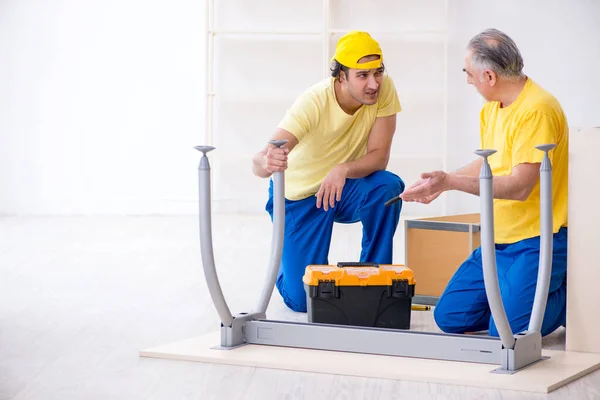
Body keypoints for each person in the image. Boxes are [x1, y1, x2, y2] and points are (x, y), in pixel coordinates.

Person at [398, 28, 569, 337]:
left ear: (489, 76)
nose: (468, 81)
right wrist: (441, 182)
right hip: (497, 239)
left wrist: (452, 182)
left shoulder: (537, 110)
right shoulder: (492, 108)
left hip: (536, 241)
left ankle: (567, 295)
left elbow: (520, 187)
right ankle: (519, 297)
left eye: (469, 74)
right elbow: (489, 164)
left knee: (507, 331)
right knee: (451, 317)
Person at [251, 31, 405, 313]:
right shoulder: (313, 102)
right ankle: (287, 267)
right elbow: (260, 161)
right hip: (299, 197)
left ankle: (374, 280)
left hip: (341, 187)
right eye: (362, 75)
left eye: (378, 72)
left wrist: (343, 169)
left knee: (387, 187)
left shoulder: (384, 90)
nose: (374, 83)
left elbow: (379, 157)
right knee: (302, 301)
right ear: (342, 77)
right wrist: (267, 162)